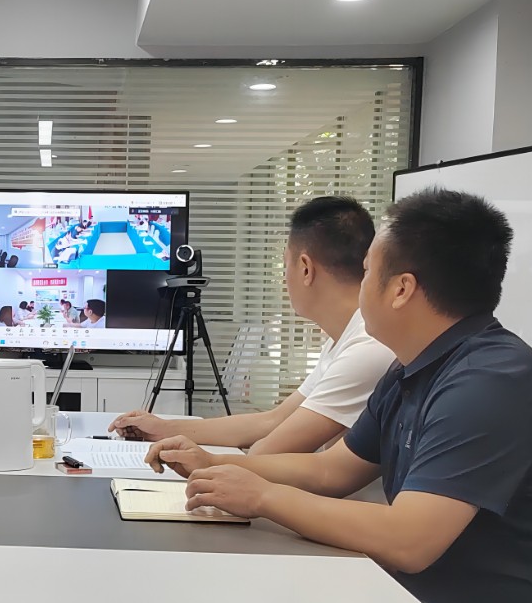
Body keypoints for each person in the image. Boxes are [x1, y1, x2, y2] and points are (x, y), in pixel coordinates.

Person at [160, 190, 532, 603]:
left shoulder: (488, 381)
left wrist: (263, 496)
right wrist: (217, 465)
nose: (359, 286)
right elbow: (331, 470)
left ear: (402, 288)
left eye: (366, 272)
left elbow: (410, 541)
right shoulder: (416, 368)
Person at [110, 196, 394, 458]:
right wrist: (163, 428)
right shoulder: (342, 340)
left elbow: (268, 451)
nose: (284, 280)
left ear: (306, 269)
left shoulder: (366, 348)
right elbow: (273, 420)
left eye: (286, 266)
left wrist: (201, 461)